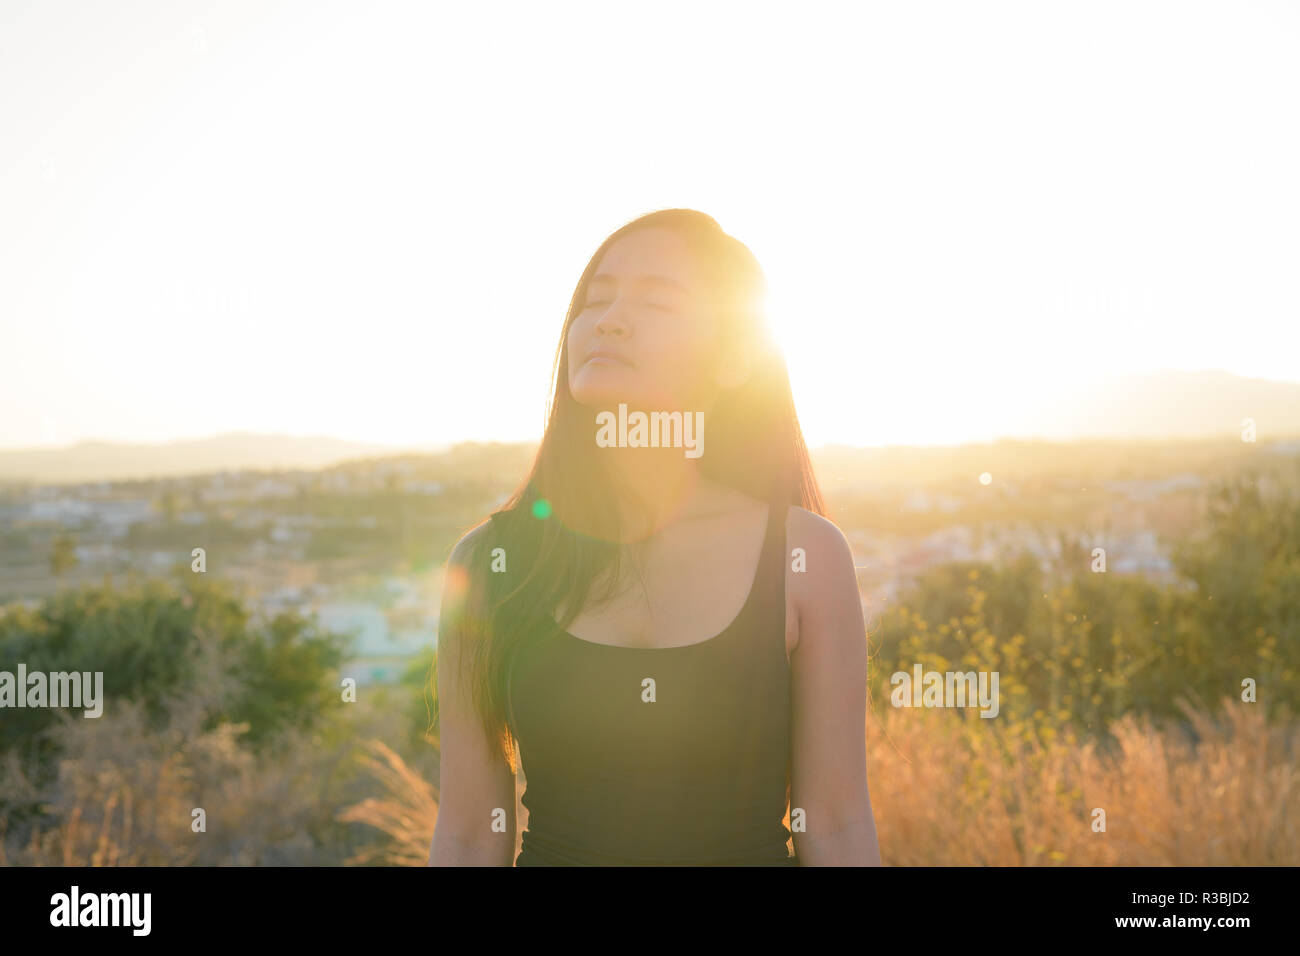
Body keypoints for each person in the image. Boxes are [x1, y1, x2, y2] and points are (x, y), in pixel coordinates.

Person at [428, 208, 881, 866]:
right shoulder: (492, 563)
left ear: (732, 359)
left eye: (657, 300)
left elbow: (836, 823)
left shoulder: (805, 557)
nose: (609, 317)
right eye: (596, 297)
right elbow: (470, 832)